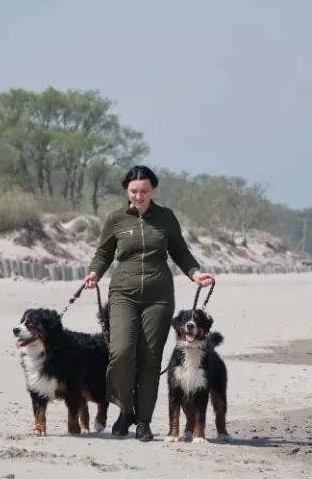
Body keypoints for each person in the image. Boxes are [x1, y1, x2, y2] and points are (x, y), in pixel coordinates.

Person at [83, 165, 215, 442]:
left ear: (152, 190)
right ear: (126, 191)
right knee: (120, 353)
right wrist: (94, 272)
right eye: (133, 191)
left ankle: (143, 421)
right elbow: (104, 253)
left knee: (150, 360)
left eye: (144, 191)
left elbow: (180, 251)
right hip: (122, 295)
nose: (139, 196)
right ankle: (125, 410)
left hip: (159, 297)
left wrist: (195, 273)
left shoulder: (165, 218)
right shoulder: (116, 218)